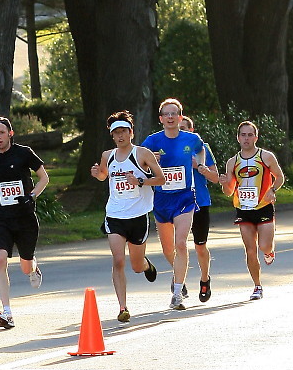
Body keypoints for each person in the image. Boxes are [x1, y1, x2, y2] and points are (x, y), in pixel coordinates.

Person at [0, 116, 49, 329]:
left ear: (10, 134)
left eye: (2, 133)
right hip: (1, 218)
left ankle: (33, 268)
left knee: (25, 267)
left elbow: (44, 178)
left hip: (25, 217)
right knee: (0, 258)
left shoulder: (24, 153)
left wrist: (32, 195)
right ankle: (7, 312)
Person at [91, 111, 165, 322]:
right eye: (116, 133)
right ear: (112, 135)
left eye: (123, 131)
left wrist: (140, 182)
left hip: (138, 215)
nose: (120, 136)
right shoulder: (108, 155)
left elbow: (160, 179)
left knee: (135, 265)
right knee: (118, 260)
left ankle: (145, 265)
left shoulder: (143, 154)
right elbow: (105, 174)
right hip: (115, 214)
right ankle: (123, 307)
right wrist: (98, 174)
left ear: (131, 132)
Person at [141, 98, 206, 310]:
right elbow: (139, 161)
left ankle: (177, 293)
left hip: (185, 197)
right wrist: (152, 162)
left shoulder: (191, 138)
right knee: (168, 249)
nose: (170, 117)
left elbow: (201, 149)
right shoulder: (152, 141)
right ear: (161, 119)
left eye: (174, 114)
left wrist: (201, 164)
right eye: (166, 114)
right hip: (161, 198)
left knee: (180, 244)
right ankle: (180, 276)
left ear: (180, 117)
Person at [219, 121, 285, 300]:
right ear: (238, 138)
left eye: (250, 135)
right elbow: (229, 191)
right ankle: (257, 286)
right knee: (249, 249)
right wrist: (225, 183)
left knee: (264, 246)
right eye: (243, 135)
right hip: (243, 209)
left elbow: (279, 177)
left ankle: (269, 251)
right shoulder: (232, 162)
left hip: (263, 206)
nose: (246, 138)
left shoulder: (266, 156)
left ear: (256, 137)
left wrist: (272, 190)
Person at [179, 115, 219, 303]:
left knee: (199, 246)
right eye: (180, 128)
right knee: (177, 245)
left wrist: (200, 166)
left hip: (199, 201)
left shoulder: (202, 148)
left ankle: (205, 279)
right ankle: (179, 280)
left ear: (192, 131)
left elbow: (215, 177)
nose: (182, 131)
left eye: (185, 128)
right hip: (176, 202)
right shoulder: (167, 148)